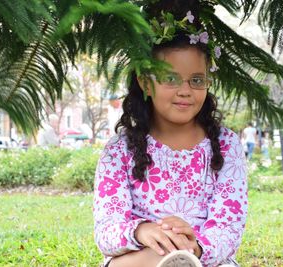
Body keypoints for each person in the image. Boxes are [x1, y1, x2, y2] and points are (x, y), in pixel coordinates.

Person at [93, 4, 248, 267]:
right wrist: (142, 231)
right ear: (145, 82)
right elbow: (107, 230)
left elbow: (229, 226)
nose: (185, 90)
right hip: (142, 256)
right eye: (171, 79)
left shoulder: (225, 145)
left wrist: (194, 247)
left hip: (205, 259)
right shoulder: (119, 151)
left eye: (196, 80)